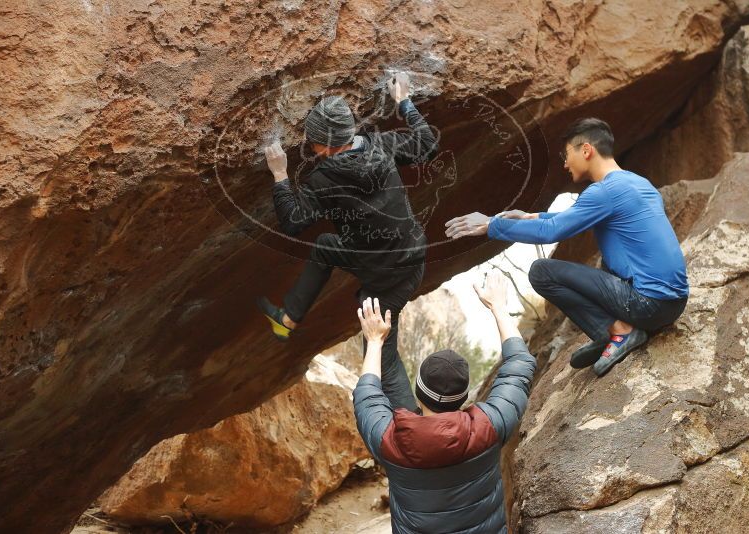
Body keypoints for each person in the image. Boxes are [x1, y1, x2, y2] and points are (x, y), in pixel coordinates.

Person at [444, 118, 689, 376]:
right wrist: (530, 217)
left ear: (586, 150)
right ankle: (615, 329)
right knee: (609, 254)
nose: (564, 163)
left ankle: (619, 331)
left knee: (541, 272)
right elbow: (572, 217)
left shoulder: (604, 192)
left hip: (647, 305)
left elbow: (553, 232)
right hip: (674, 304)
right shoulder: (637, 184)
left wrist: (490, 224)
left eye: (566, 154)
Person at [258, 72, 438, 411]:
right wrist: (405, 102)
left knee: (383, 358)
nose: (311, 149)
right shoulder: (380, 145)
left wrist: (280, 175)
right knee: (327, 244)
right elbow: (427, 143)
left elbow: (294, 221)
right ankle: (288, 320)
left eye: (312, 143)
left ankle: (413, 428)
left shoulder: (323, 179)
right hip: (413, 254)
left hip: (385, 278)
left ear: (325, 145)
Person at [353, 272, 536, 533]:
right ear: (464, 397)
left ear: (418, 392)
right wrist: (498, 308)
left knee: (389, 372)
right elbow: (520, 364)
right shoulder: (490, 427)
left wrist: (373, 340)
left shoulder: (390, 441)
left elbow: (367, 394)